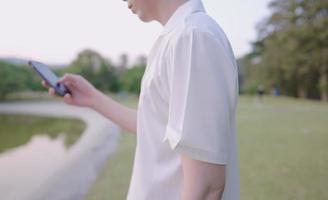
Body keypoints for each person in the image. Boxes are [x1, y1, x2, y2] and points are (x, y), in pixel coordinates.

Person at [43, 0, 239, 199]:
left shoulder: (192, 37)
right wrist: (91, 98)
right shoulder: (180, 36)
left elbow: (206, 186)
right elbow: (154, 127)